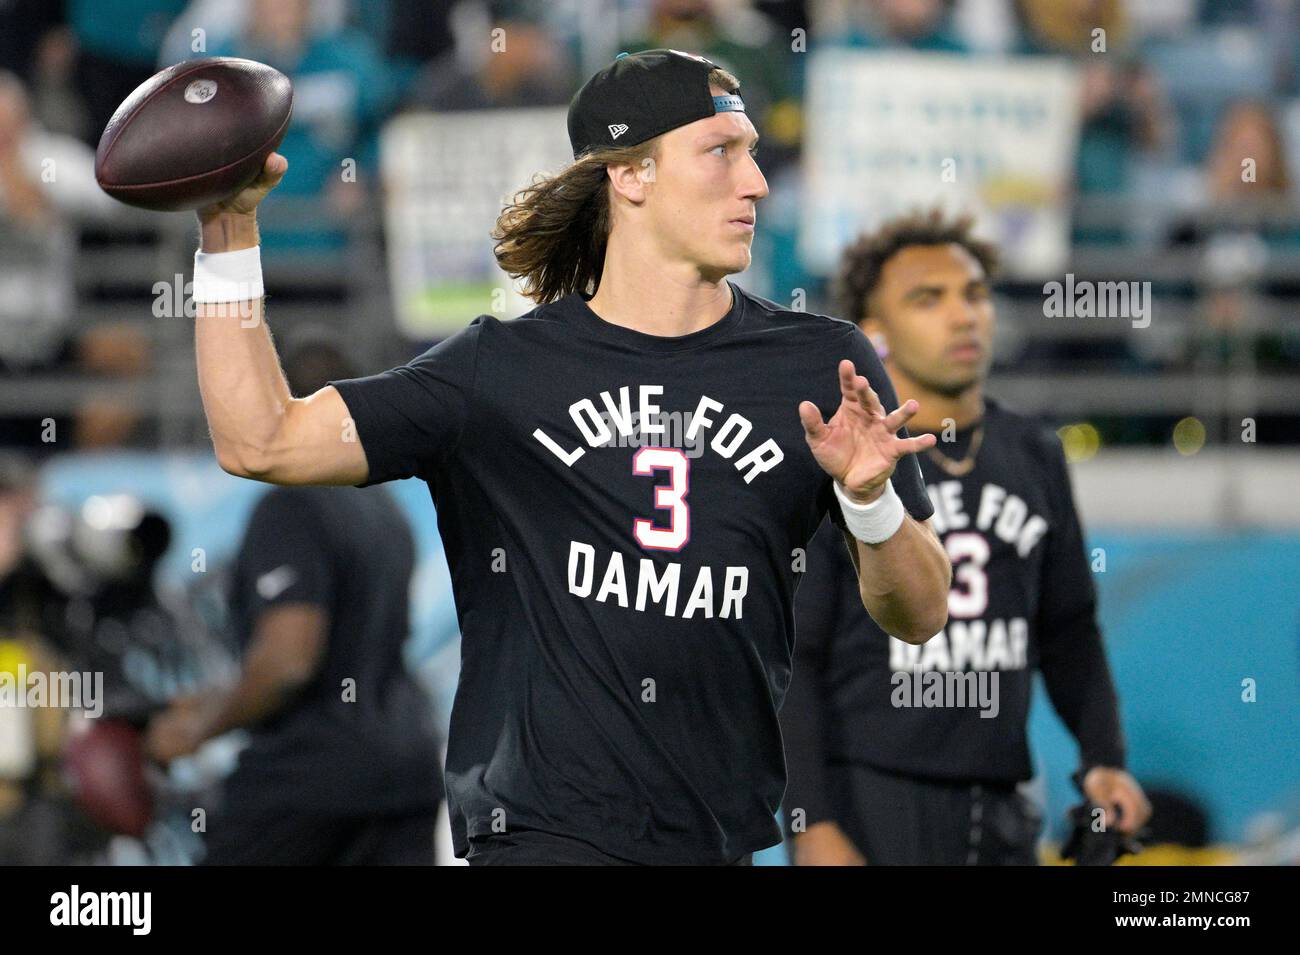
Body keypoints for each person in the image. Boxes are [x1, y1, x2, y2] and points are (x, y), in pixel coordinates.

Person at [182, 49, 950, 865]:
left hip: (714, 837)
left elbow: (922, 611)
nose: (757, 182)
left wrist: (872, 503)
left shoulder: (820, 363)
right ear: (631, 175)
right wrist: (229, 230)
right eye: (722, 151)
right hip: (543, 832)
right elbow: (260, 437)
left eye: (754, 152)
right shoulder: (500, 370)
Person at [781, 208, 1151, 865]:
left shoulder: (1034, 451)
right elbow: (798, 658)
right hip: (874, 798)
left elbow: (1069, 627)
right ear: (875, 334)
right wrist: (812, 822)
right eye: (929, 298)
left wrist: (1104, 761)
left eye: (974, 294)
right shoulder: (841, 458)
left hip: (1005, 797)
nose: (963, 315)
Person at [146, 338, 443, 865]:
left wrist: (198, 729)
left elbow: (288, 663)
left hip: (311, 775)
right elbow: (346, 656)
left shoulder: (292, 506)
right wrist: (218, 699)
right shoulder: (384, 510)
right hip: (406, 766)